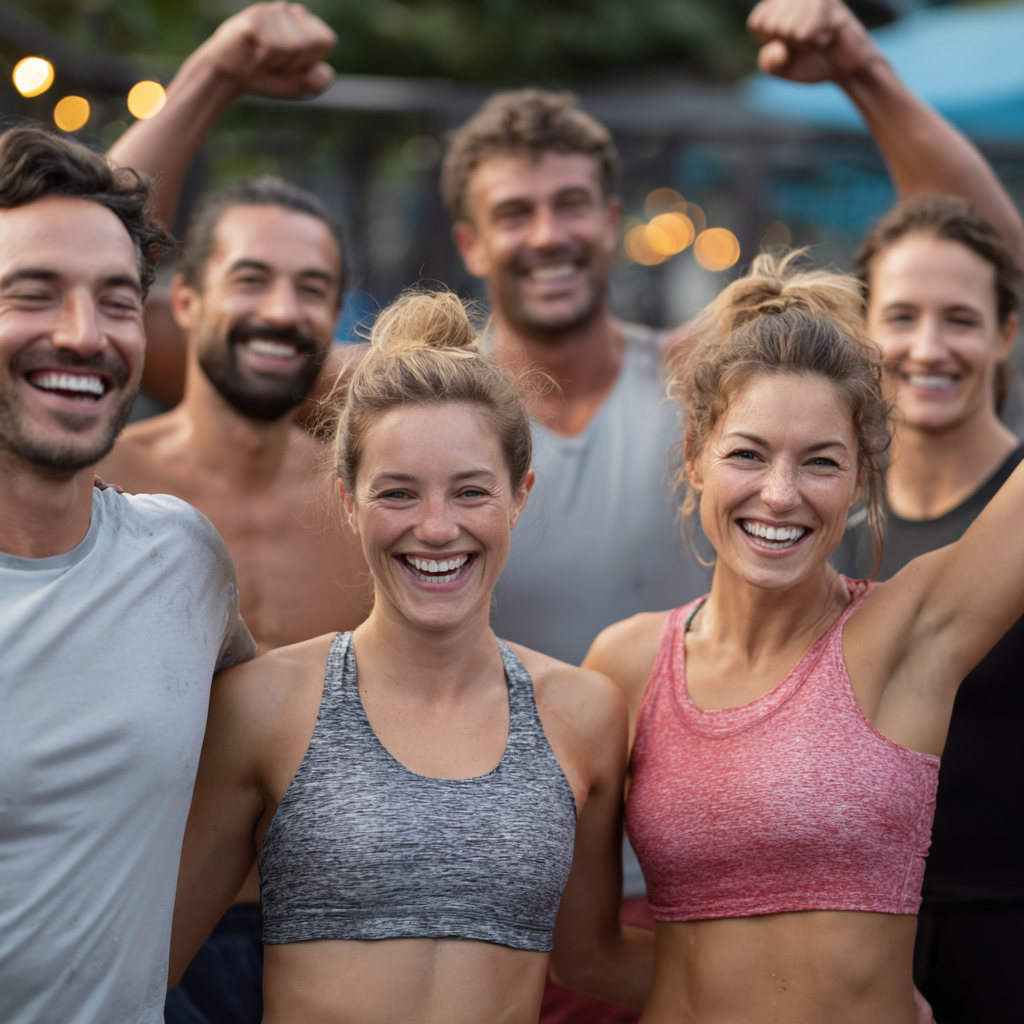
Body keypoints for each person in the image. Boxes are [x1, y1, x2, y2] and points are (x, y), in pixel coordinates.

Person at [167, 289, 653, 1024]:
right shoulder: (265, 704)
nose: (435, 527)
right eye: (398, 493)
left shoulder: (585, 714)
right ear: (348, 501)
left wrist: (827, 987)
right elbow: (146, 963)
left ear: (519, 498)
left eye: (470, 492)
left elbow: (590, 956)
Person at [584, 251, 1024, 1024]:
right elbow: (584, 949)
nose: (779, 495)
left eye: (820, 462)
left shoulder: (908, 634)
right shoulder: (623, 665)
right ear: (694, 457)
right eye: (747, 454)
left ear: (860, 479)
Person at [749, 3, 1024, 1019]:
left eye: (961, 318)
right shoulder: (811, 508)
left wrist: (863, 70)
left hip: (1006, 924)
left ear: (1004, 333)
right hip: (845, 933)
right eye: (900, 316)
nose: (926, 346)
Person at [93, 9, 366, 1019]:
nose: (281, 310)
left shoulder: (368, 504)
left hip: (335, 925)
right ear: (185, 303)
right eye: (250, 278)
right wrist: (212, 70)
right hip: (138, 914)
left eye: (312, 289)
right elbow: (90, 224)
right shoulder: (101, 474)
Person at [0, 128, 256, 1024]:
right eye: (32, 295)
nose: (83, 335)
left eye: (116, 302)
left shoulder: (183, 559)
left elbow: (261, 748)